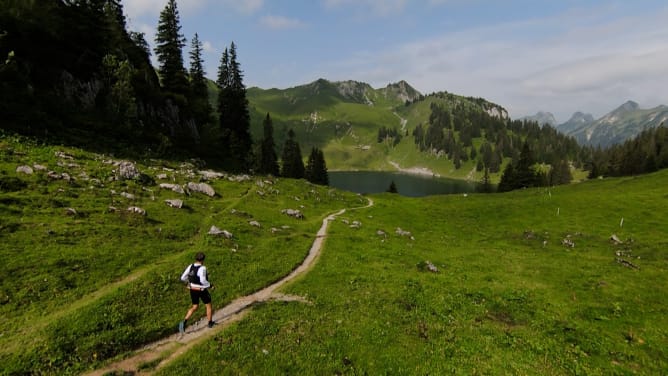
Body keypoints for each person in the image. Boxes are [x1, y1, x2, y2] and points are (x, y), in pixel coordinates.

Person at [178, 252, 215, 334]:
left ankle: (184, 321)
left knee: (195, 306)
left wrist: (190, 283)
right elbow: (202, 280)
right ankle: (210, 323)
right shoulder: (203, 268)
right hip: (201, 290)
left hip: (192, 289)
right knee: (208, 305)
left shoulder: (190, 266)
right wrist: (210, 285)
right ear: (203, 260)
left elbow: (183, 277)